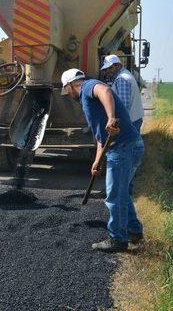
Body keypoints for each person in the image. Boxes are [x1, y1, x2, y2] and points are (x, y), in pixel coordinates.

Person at [61, 68, 145, 253]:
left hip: (123, 147)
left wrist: (111, 117)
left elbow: (104, 90)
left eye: (66, 90)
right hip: (130, 145)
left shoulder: (88, 86)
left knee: (114, 195)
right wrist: (97, 162)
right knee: (122, 193)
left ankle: (117, 239)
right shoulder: (86, 99)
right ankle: (134, 231)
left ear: (69, 85)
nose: (67, 94)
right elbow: (101, 137)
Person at [100, 54, 145, 132]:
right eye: (106, 69)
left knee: (128, 143)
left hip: (130, 121)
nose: (108, 71)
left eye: (110, 68)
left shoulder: (122, 79)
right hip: (134, 119)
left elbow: (124, 105)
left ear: (118, 66)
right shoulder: (125, 74)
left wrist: (117, 124)